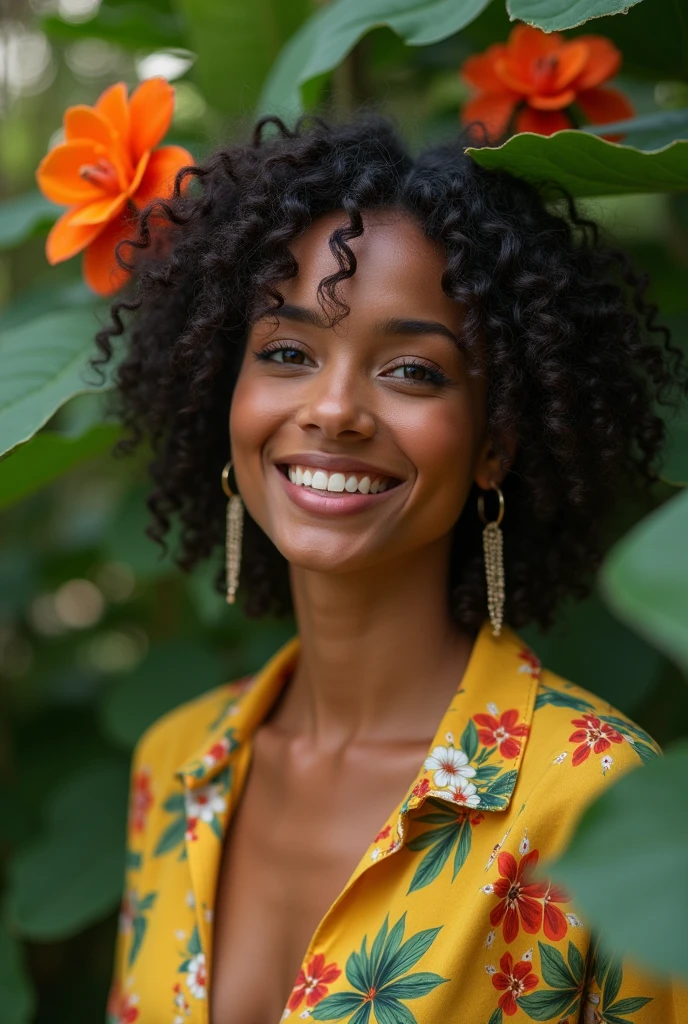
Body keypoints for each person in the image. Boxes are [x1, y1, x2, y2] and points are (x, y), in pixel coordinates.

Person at [98, 113, 688, 1024]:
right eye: (287, 354)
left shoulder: (597, 801)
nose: (334, 410)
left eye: (413, 371)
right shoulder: (175, 768)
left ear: (496, 444)